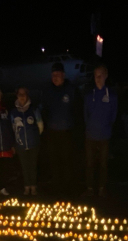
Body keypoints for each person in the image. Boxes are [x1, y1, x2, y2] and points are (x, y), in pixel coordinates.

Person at [83, 64, 118, 197]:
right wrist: (90, 128)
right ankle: (90, 188)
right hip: (90, 135)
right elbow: (85, 114)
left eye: (100, 75)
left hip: (104, 135)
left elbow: (113, 115)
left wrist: (107, 127)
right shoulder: (88, 95)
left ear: (106, 76)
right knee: (90, 163)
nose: (98, 78)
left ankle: (102, 188)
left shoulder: (112, 96)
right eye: (95, 75)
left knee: (103, 164)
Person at [42, 62, 77, 192]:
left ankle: (68, 187)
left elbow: (76, 110)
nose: (55, 77)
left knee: (67, 160)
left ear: (63, 74)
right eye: (53, 75)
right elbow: (44, 110)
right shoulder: (48, 91)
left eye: (57, 74)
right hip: (52, 132)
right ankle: (57, 187)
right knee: (54, 160)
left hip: (67, 132)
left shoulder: (71, 89)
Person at [10, 86, 43, 195]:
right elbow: (12, 128)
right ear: (17, 96)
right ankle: (26, 186)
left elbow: (40, 126)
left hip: (33, 144)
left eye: (24, 94)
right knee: (24, 167)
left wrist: (34, 137)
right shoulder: (14, 112)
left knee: (33, 166)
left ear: (27, 95)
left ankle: (33, 187)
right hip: (21, 145)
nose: (22, 97)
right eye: (20, 94)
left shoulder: (33, 110)